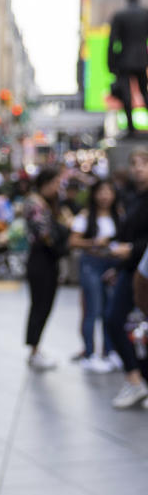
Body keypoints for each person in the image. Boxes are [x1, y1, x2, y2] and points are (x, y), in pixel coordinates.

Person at [104, 147, 148, 407]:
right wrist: (119, 265)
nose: (138, 168)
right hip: (132, 269)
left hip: (140, 267)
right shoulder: (131, 197)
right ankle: (134, 379)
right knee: (113, 321)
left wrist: (132, 249)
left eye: (144, 162)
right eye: (135, 163)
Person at [69, 179, 121, 372]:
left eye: (108, 191)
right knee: (92, 309)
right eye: (101, 191)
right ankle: (89, 353)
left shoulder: (119, 215)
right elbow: (73, 241)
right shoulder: (85, 216)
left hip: (113, 265)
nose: (105, 196)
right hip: (92, 264)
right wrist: (95, 243)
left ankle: (110, 350)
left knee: (111, 310)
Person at [23, 166, 70, 371]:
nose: (58, 189)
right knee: (40, 305)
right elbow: (44, 234)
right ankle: (34, 350)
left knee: (44, 305)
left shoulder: (47, 203)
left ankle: (36, 348)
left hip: (48, 259)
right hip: (41, 259)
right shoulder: (35, 203)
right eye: (56, 184)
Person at [108, 0, 148, 135]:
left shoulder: (119, 15)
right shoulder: (145, 13)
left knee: (126, 95)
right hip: (141, 59)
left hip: (124, 60)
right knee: (144, 92)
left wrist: (110, 63)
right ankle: (132, 128)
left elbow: (112, 42)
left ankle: (131, 128)